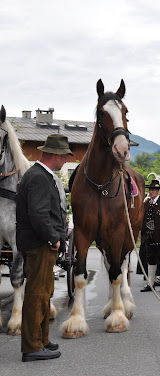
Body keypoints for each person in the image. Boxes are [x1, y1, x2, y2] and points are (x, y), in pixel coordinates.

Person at [16, 134, 73, 362]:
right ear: (55, 155)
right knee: (36, 295)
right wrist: (54, 239)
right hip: (40, 244)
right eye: (64, 156)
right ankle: (31, 347)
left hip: (42, 244)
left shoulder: (42, 175)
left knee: (44, 294)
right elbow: (39, 215)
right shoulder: (39, 177)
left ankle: (41, 340)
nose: (65, 160)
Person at [140, 180, 160, 292]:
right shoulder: (146, 204)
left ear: (158, 191)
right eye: (150, 190)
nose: (151, 192)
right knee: (150, 260)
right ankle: (150, 283)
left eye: (153, 190)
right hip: (149, 236)